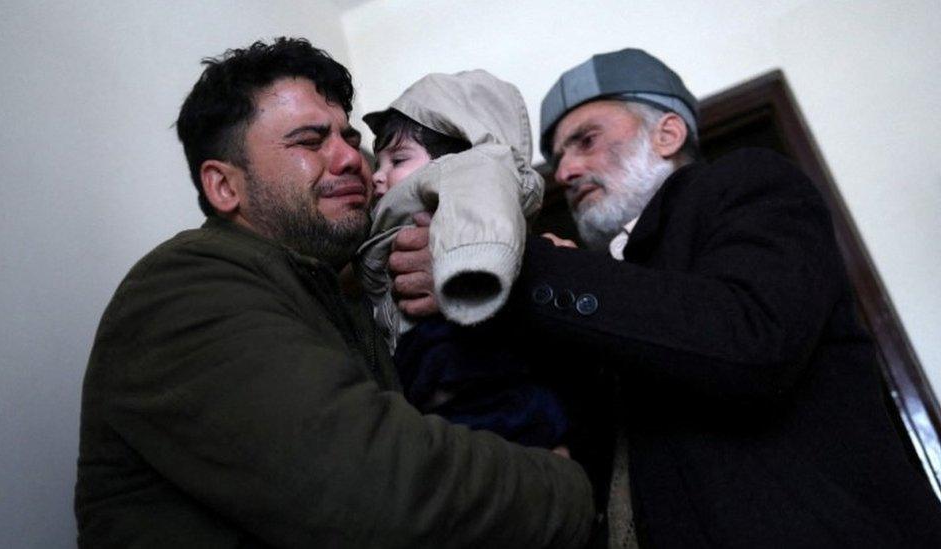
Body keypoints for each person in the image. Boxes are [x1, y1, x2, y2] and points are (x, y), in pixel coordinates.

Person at [389, 48, 941, 548]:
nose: (566, 171)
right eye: (558, 157)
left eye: (586, 140)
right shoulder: (608, 278)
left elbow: (750, 341)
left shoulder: (749, 185)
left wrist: (525, 269)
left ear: (668, 134)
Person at [74, 37, 596, 548]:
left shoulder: (346, 291)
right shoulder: (180, 291)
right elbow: (380, 492)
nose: (353, 160)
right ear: (224, 187)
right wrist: (566, 490)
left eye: (350, 138)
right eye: (309, 141)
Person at [357, 70, 571, 451]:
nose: (378, 176)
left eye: (398, 159)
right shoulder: (391, 217)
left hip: (472, 363)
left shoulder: (471, 168)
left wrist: (468, 268)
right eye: (380, 162)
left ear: (461, 151)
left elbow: (481, 206)